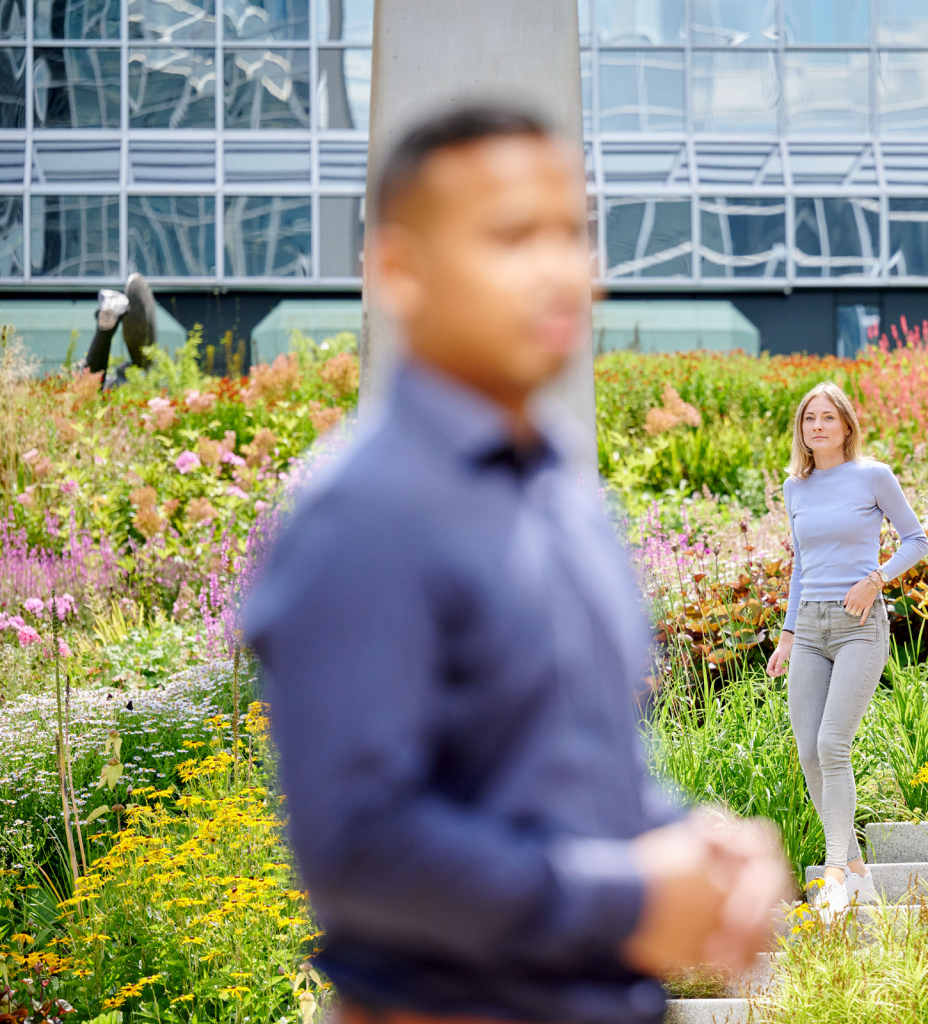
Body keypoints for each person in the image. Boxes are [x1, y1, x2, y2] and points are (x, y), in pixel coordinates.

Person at [244, 104, 789, 1024]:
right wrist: (628, 898)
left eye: (573, 233)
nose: (558, 270)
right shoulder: (365, 514)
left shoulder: (566, 497)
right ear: (397, 271)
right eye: (511, 236)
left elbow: (559, 773)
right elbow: (358, 846)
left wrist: (696, 850)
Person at [765, 382, 928, 914]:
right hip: (809, 628)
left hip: (860, 624)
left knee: (833, 743)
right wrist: (788, 636)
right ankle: (855, 868)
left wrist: (876, 579)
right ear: (802, 430)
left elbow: (917, 540)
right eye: (809, 418)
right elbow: (800, 568)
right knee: (808, 750)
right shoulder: (795, 488)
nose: (817, 426)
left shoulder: (873, 475)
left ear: (846, 426)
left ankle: (835, 869)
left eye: (827, 418)